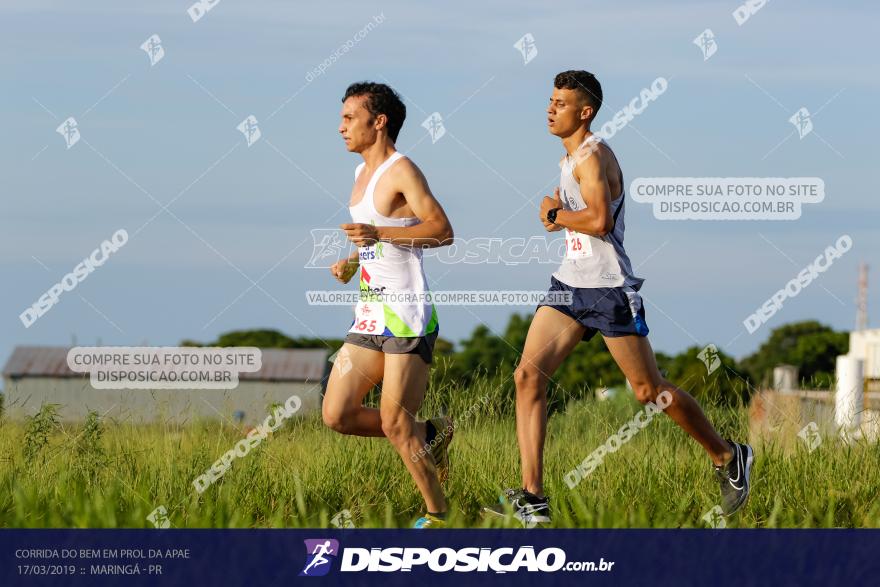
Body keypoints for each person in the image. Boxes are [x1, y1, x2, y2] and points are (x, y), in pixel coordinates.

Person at [482, 70, 753, 526]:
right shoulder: (569, 160)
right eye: (550, 100)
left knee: (649, 391)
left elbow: (601, 222)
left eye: (561, 103)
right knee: (528, 376)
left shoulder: (592, 155)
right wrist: (561, 218)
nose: (550, 109)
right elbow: (581, 218)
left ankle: (728, 455)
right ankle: (533, 497)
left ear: (584, 112)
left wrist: (557, 213)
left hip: (607, 286)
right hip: (570, 284)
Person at [323, 81, 455, 529]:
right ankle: (432, 435)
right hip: (369, 313)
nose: (340, 127)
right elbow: (376, 238)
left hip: (407, 316)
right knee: (336, 414)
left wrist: (379, 237)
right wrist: (353, 261)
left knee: (398, 425)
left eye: (348, 118)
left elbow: (442, 230)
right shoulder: (360, 176)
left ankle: (439, 517)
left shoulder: (403, 170)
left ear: (378, 122)